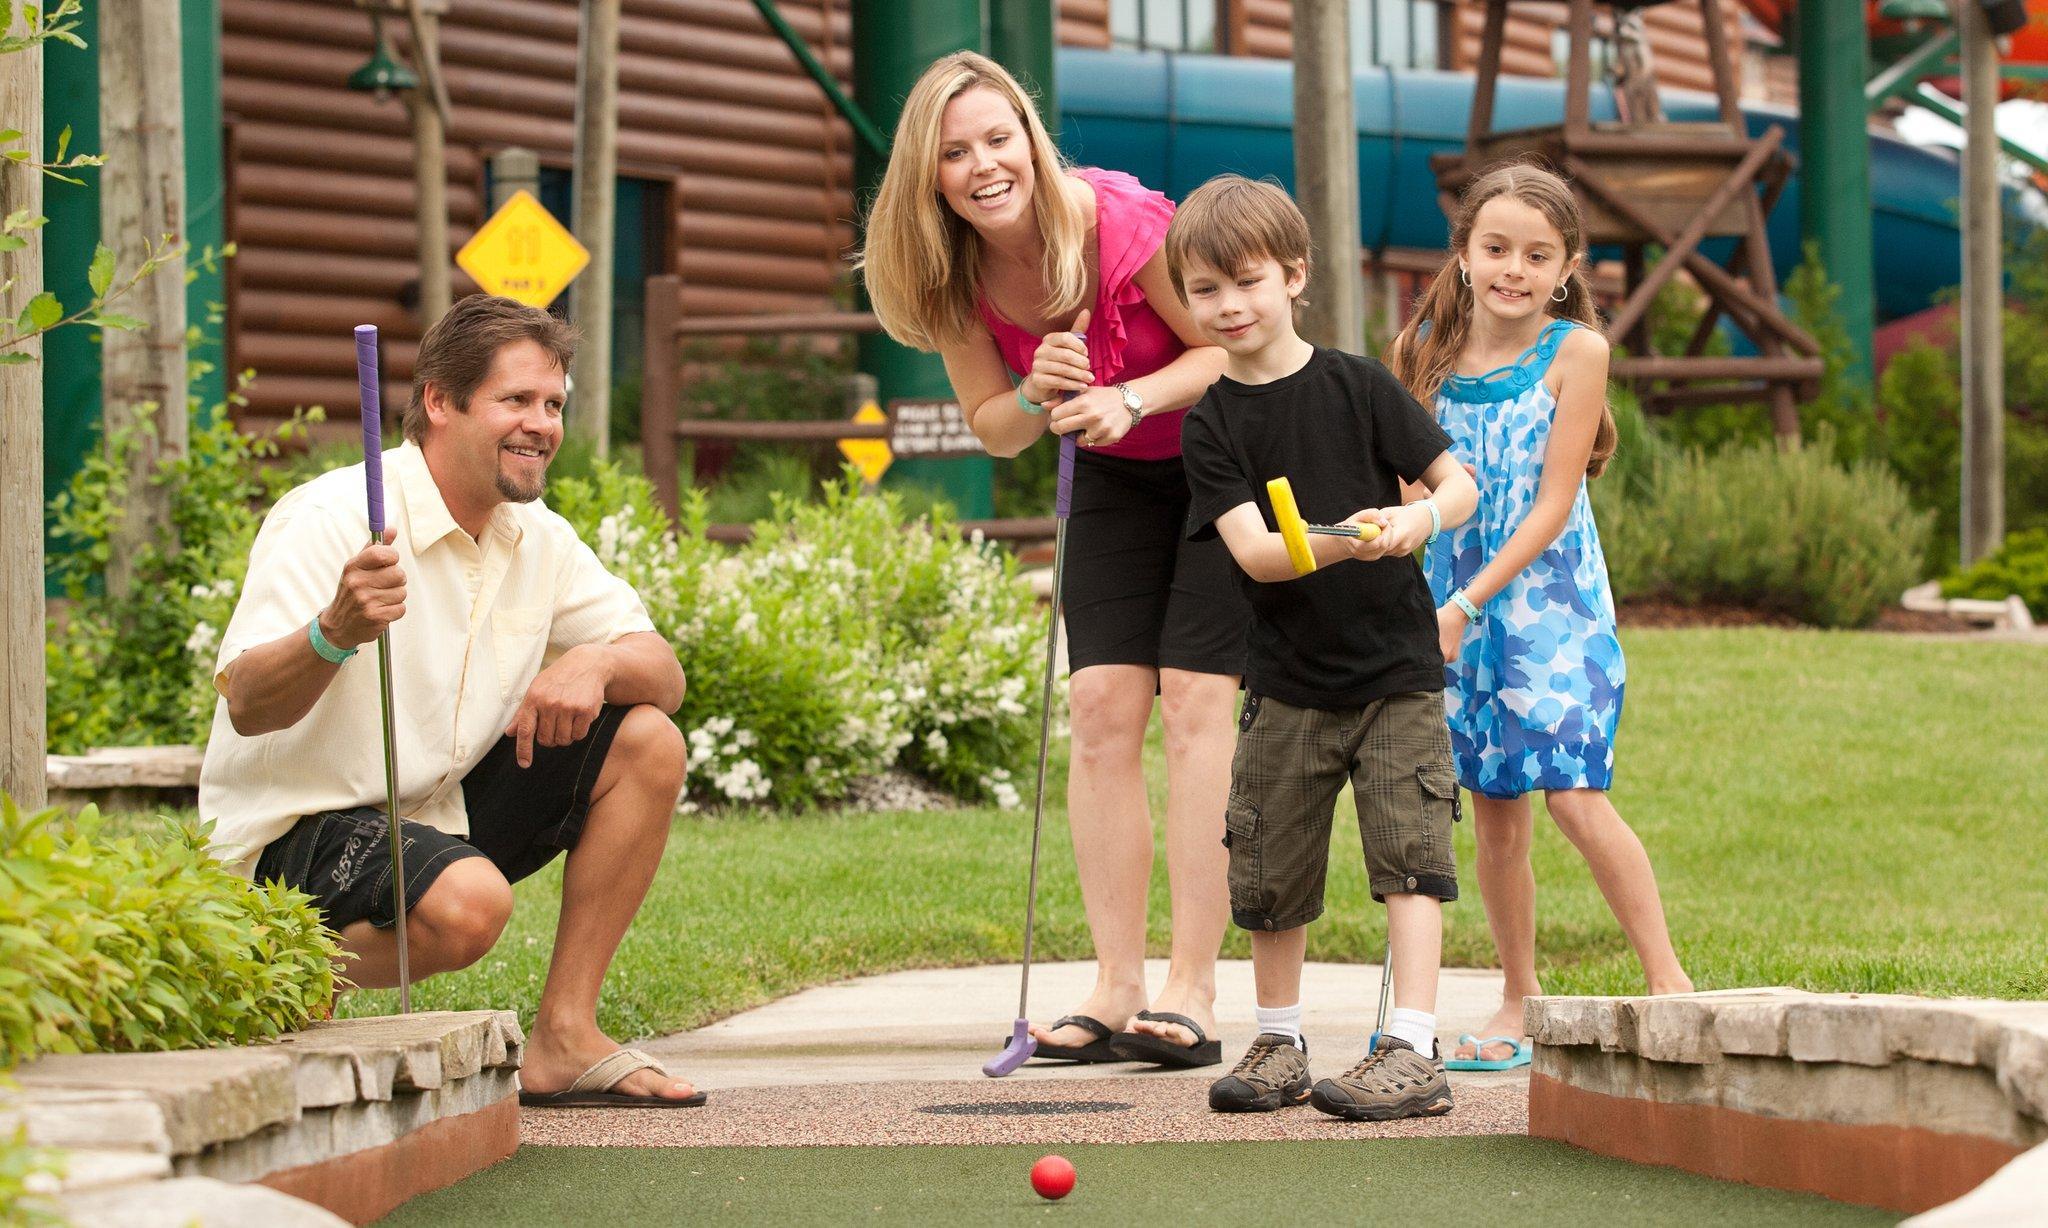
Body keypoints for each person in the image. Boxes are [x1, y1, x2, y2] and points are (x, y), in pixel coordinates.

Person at [199, 294, 703, 1108]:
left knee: (647, 739)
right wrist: (333, 631)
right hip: (295, 831)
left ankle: (565, 1036)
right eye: (517, 400)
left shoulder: (538, 537)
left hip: (436, 811)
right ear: (439, 401)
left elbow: (665, 675)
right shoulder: (332, 515)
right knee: (471, 905)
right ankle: (268, 968)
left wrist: (599, 663)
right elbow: (250, 705)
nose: (542, 424)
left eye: (553, 405)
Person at [859, 51, 1246, 1066]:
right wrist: (1036, 390)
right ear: (929, 173)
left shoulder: (1119, 225)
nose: (984, 166)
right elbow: (994, 427)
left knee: (1195, 704)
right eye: (956, 153)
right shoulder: (952, 271)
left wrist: (1129, 395)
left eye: (999, 139)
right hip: (1111, 475)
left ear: (1030, 142)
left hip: (1220, 464)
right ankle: (1116, 985)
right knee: (1101, 710)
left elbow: (1225, 352)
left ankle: (1192, 989)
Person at [1166, 174, 1480, 1119]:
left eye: (1247, 281)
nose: (1229, 305)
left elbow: (1459, 486)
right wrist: (1351, 537)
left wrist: (1416, 521)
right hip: (1287, 681)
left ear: (1295, 276)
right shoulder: (1210, 423)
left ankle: (1412, 1048)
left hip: (1395, 673)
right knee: (1270, 869)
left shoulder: (1359, 385)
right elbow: (1258, 555)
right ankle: (1279, 1042)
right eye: (1205, 290)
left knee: (1412, 857)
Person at [1387, 162, 1693, 1072]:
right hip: (1450, 605)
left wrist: (1466, 602)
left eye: (1536, 255)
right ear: (1464, 253)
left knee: (1573, 793)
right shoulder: (1419, 353)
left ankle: (1670, 983)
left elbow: (1553, 504)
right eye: (1496, 249)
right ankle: (1518, 997)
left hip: (1550, 606)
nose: (1513, 270)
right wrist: (1404, 575)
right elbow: (1412, 497)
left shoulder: (1577, 353)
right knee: (1494, 814)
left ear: (1566, 269)